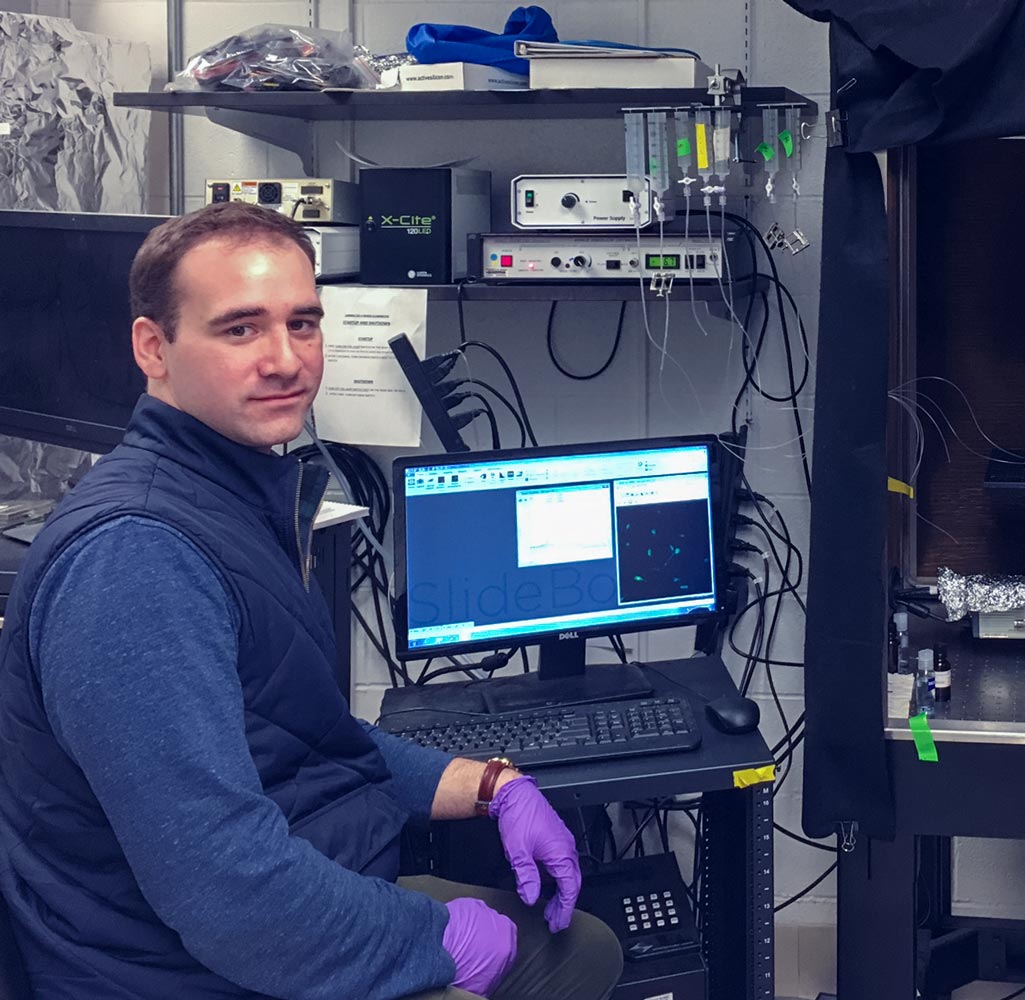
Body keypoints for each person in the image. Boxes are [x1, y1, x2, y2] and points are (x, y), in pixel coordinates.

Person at [0, 202, 623, 1000]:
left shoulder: (223, 496)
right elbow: (230, 895)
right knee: (553, 961)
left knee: (584, 946)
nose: (284, 359)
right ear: (152, 347)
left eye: (303, 324)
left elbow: (298, 735)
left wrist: (491, 784)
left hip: (271, 898)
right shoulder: (138, 558)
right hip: (181, 969)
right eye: (240, 330)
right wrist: (438, 941)